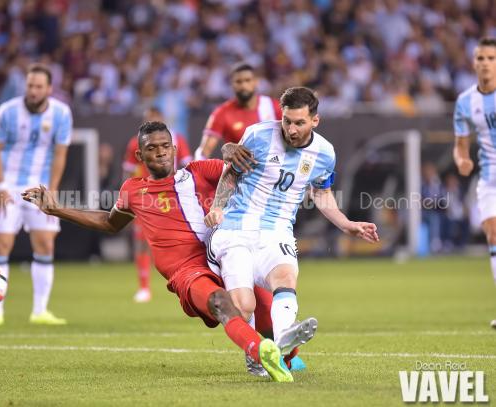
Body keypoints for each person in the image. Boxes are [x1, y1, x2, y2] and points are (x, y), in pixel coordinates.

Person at [22, 121, 307, 382]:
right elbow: (110, 223)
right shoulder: (133, 190)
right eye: (151, 148)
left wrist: (230, 148)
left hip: (222, 254)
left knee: (267, 312)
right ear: (139, 156)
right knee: (220, 302)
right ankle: (258, 353)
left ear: (174, 148)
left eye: (164, 146)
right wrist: (55, 209)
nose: (159, 153)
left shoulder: (198, 172)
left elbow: (242, 171)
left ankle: (285, 355)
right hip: (186, 271)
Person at [204, 87, 379, 356]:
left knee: (286, 276)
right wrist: (217, 207)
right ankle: (256, 355)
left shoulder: (325, 153)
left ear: (315, 121)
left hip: (278, 230)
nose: (291, 129)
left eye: (299, 122)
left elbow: (321, 193)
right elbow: (231, 174)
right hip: (237, 227)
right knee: (245, 305)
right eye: (287, 121)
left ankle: (284, 332)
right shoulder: (258, 135)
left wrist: (346, 224)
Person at [0, 63, 72, 327]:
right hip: (8, 186)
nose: (33, 91)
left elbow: (60, 154)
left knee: (45, 244)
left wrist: (53, 189)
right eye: (30, 85)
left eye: (38, 86)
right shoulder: (7, 112)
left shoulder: (61, 114)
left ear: (49, 89)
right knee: (1, 244)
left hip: (40, 188)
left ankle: (40, 310)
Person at [122, 106, 192, 302]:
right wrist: (127, 199)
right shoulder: (134, 144)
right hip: (146, 198)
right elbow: (128, 171)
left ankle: (187, 279)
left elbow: (188, 166)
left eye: (154, 117)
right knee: (142, 243)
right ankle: (144, 287)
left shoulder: (177, 139)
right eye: (147, 117)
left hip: (174, 196)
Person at [452, 36, 496, 329]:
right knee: (492, 234)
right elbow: (460, 144)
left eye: (491, 58)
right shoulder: (466, 101)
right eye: (481, 58)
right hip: (490, 177)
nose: (485, 64)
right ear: (473, 62)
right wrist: (462, 160)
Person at [194, 63, 282, 160]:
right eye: (238, 81)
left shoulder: (273, 106)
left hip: (274, 171)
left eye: (247, 80)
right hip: (240, 172)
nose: (243, 85)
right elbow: (203, 152)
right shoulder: (222, 113)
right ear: (232, 84)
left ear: (256, 82)